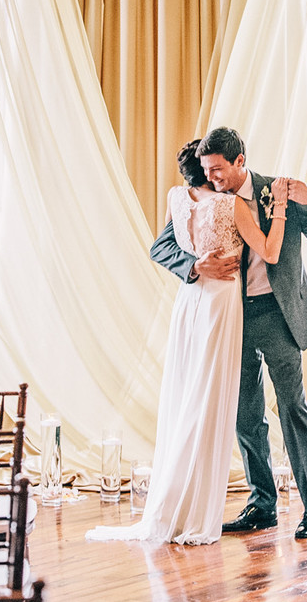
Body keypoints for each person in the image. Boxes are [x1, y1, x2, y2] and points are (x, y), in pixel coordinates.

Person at [86, 140, 287, 545]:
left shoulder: (176, 198)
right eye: (212, 169)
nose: (217, 175)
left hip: (190, 303)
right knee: (209, 401)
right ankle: (195, 508)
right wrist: (279, 207)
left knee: (186, 397)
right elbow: (268, 251)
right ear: (207, 169)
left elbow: (175, 239)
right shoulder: (232, 206)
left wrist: (196, 263)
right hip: (219, 302)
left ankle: (175, 502)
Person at [150, 126, 307, 540]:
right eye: (207, 171)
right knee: (245, 415)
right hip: (230, 317)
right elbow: (162, 246)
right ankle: (262, 505)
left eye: (218, 170)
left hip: (279, 315)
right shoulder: (207, 197)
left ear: (240, 161)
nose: (211, 178)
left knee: (293, 409)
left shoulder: (278, 191)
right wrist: (194, 267)